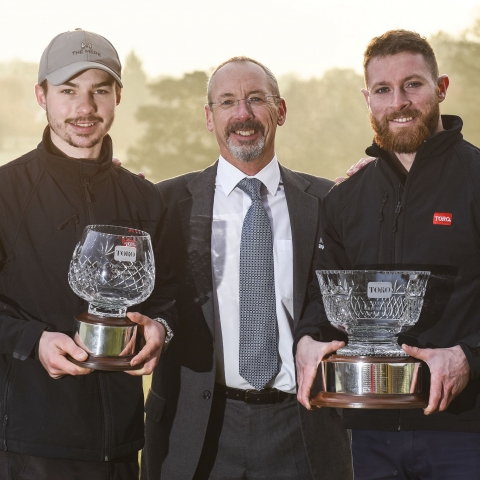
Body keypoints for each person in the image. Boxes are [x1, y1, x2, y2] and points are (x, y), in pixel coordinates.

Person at [141, 57, 353, 480]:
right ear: (209, 117)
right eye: (227, 102)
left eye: (256, 99)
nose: (243, 114)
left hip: (302, 426)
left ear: (281, 110)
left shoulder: (330, 203)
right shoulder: (165, 204)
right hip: (196, 429)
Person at [295, 29, 480, 479]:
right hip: (369, 433)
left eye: (412, 84)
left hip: (465, 431)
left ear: (441, 88)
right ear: (368, 99)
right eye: (383, 90)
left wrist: (469, 358)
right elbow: (319, 300)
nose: (398, 101)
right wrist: (306, 342)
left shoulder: (476, 180)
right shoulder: (344, 200)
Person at [0, 29, 176, 480]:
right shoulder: (5, 193)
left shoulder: (144, 199)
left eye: (100, 90)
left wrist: (160, 328)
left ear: (118, 95)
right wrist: (32, 341)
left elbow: (169, 295)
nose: (85, 108)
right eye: (68, 91)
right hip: (28, 446)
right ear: (41, 95)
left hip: (120, 447)